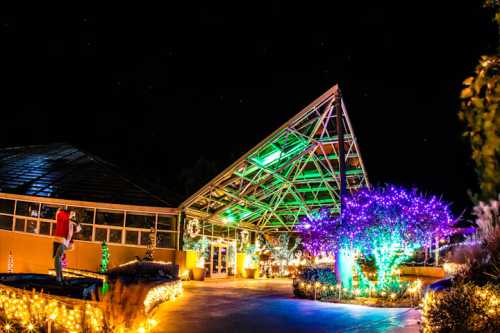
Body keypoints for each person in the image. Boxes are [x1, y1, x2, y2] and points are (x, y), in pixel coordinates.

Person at [53, 208, 80, 283]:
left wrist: (76, 223)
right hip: (61, 239)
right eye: (72, 215)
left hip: (64, 241)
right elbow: (77, 228)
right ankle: (60, 276)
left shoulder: (69, 221)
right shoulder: (63, 217)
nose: (73, 217)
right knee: (58, 257)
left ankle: (59, 277)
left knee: (57, 257)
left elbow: (78, 229)